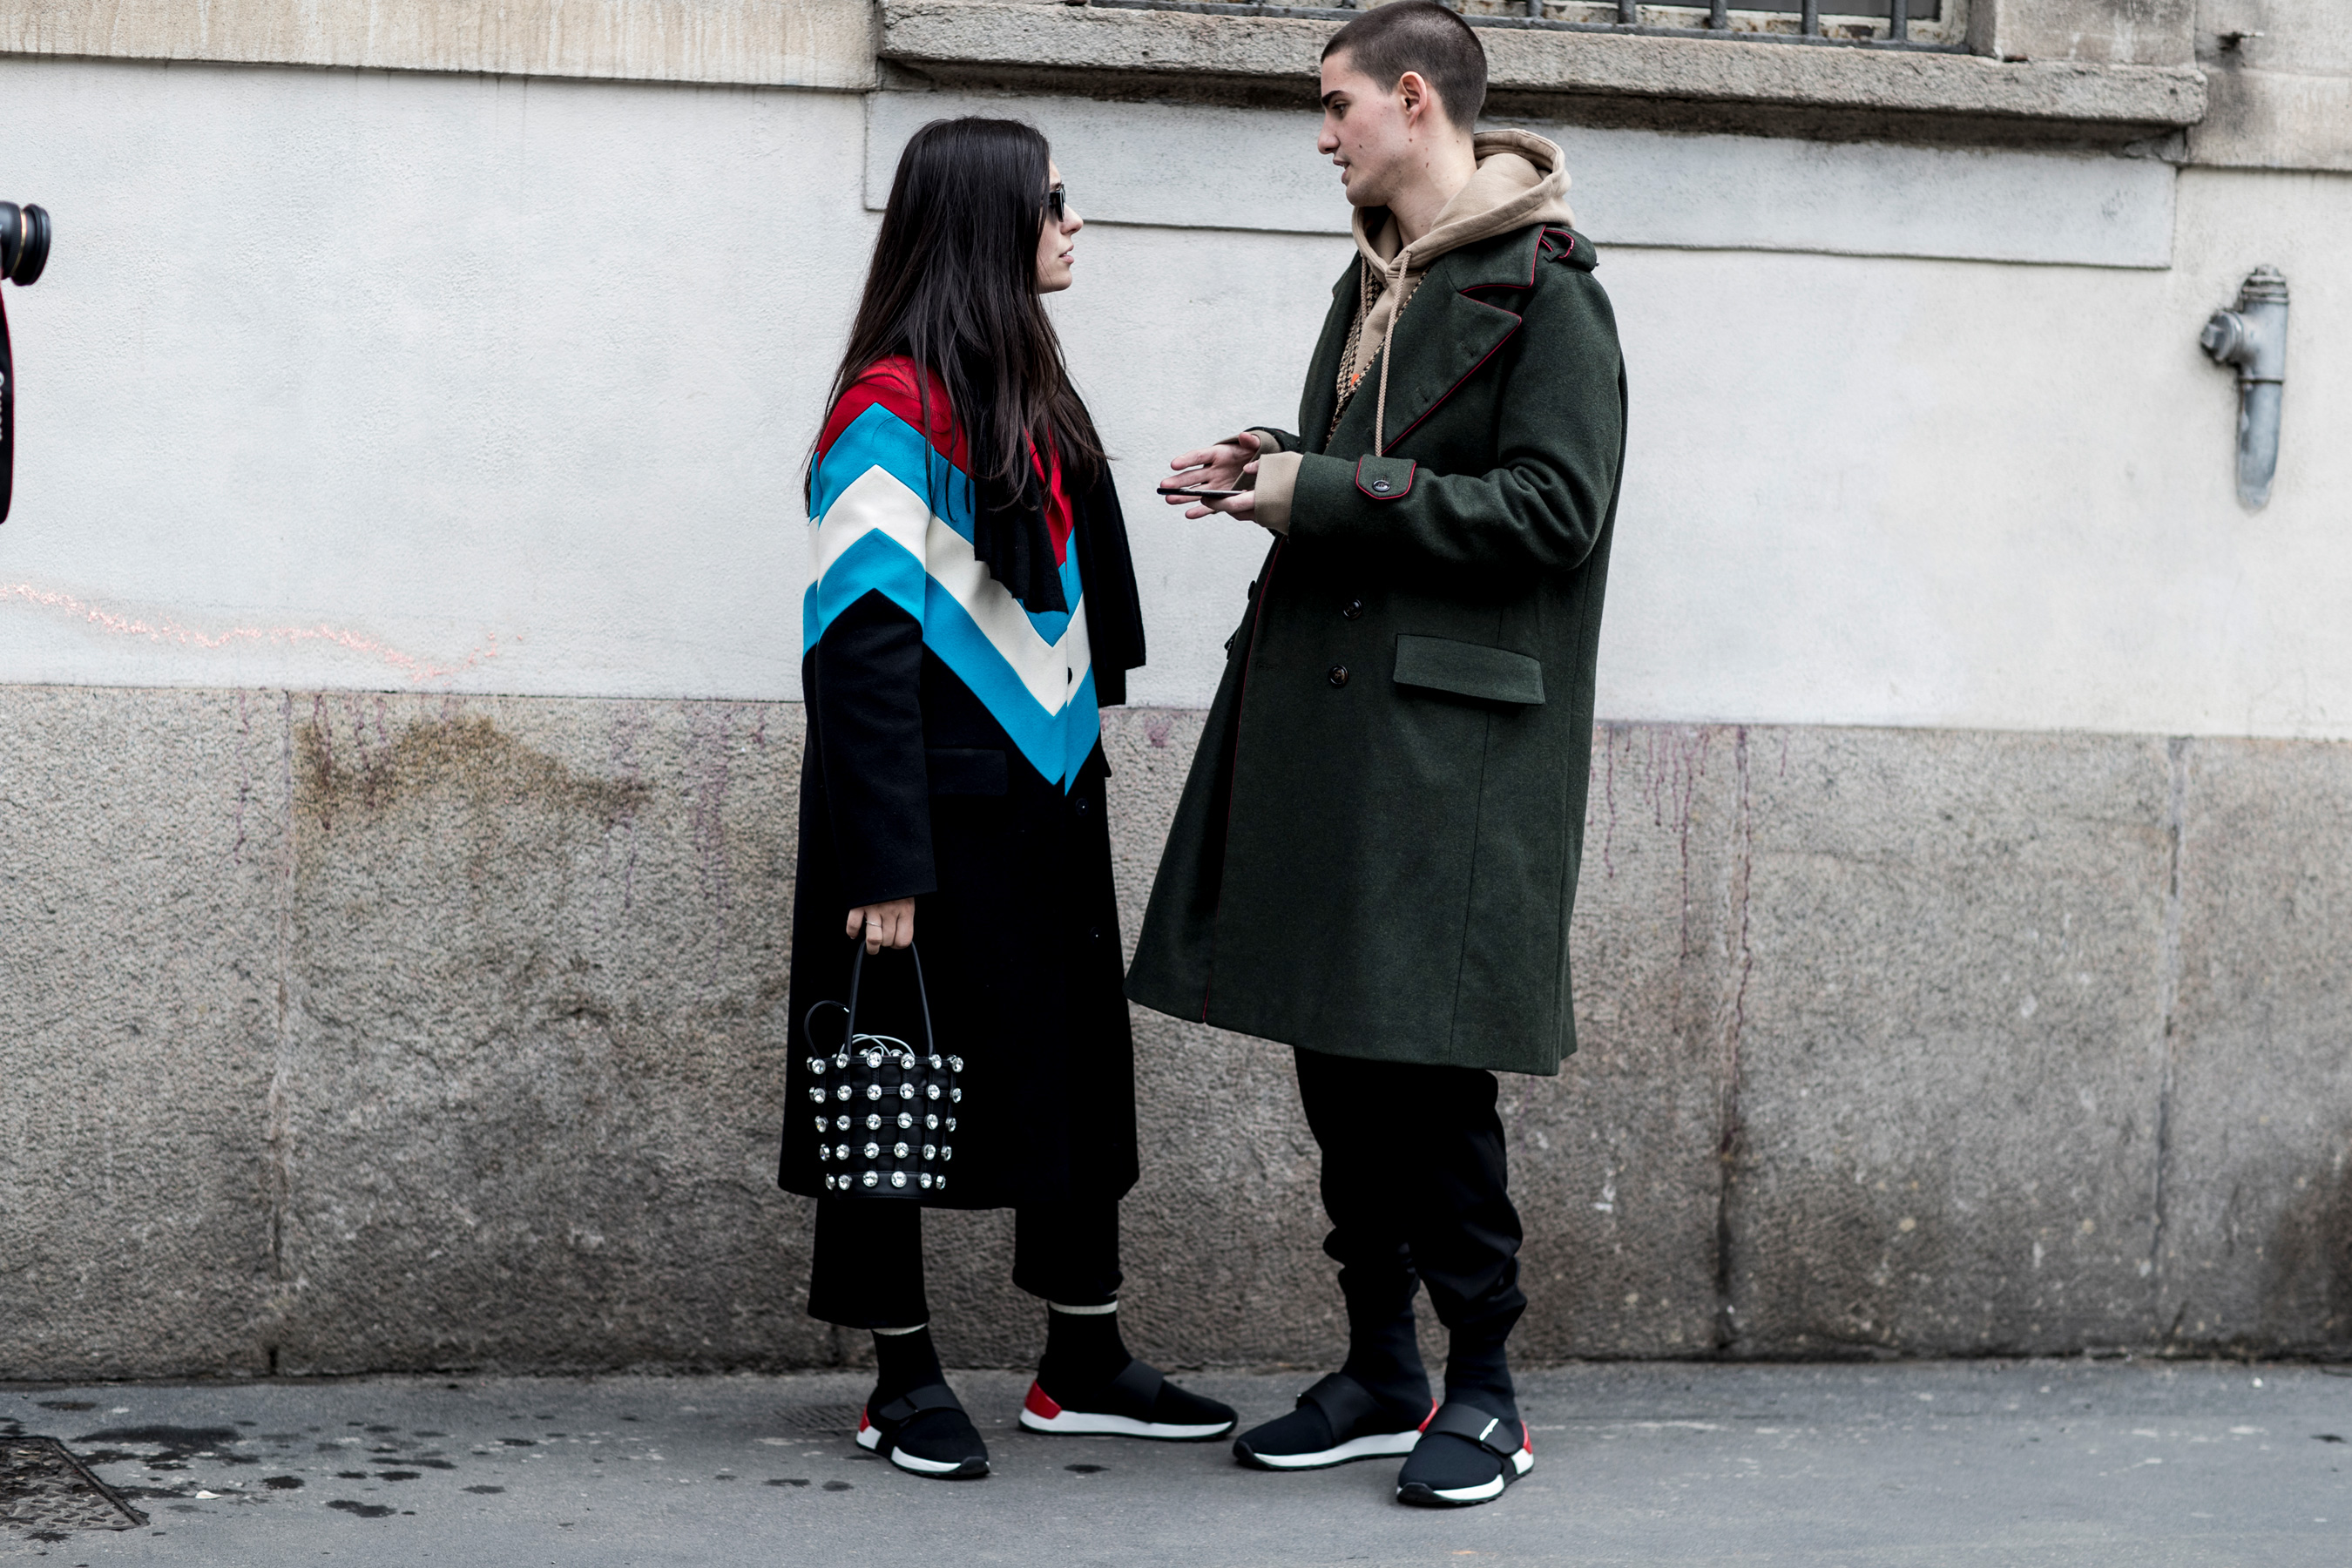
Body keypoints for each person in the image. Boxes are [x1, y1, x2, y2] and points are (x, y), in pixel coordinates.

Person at [1126, 3, 1627, 1510]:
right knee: (1339, 1065)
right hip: (1335, 731)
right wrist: (1271, 466)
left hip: (1449, 757)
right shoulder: (1372, 280)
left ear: (1414, 99)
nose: (1322, 135)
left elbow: (1555, 511)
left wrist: (1329, 491)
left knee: (1426, 1082)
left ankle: (1487, 1386)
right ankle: (1378, 1370)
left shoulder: (1548, 294)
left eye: (1335, 104)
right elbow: (1363, 481)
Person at [780, 116, 1236, 1480]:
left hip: (1043, 802)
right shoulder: (886, 414)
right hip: (920, 827)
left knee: (1074, 1078)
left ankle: (1081, 1359)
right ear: (986, 222)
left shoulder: (1026, 394)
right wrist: (885, 863)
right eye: (1052, 201)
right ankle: (901, 1375)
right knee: (889, 1078)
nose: (1074, 221)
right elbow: (857, 652)